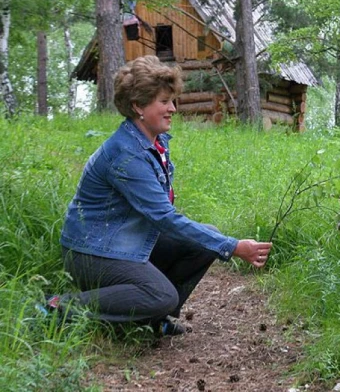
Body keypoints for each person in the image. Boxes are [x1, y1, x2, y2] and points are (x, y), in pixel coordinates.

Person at [43, 55, 272, 336]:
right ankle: (58, 306)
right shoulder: (126, 154)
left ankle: (151, 322)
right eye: (164, 101)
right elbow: (164, 217)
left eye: (172, 100)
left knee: (203, 240)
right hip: (91, 253)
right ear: (138, 105)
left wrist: (220, 243)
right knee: (162, 293)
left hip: (125, 239)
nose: (172, 108)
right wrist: (233, 246)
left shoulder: (155, 141)